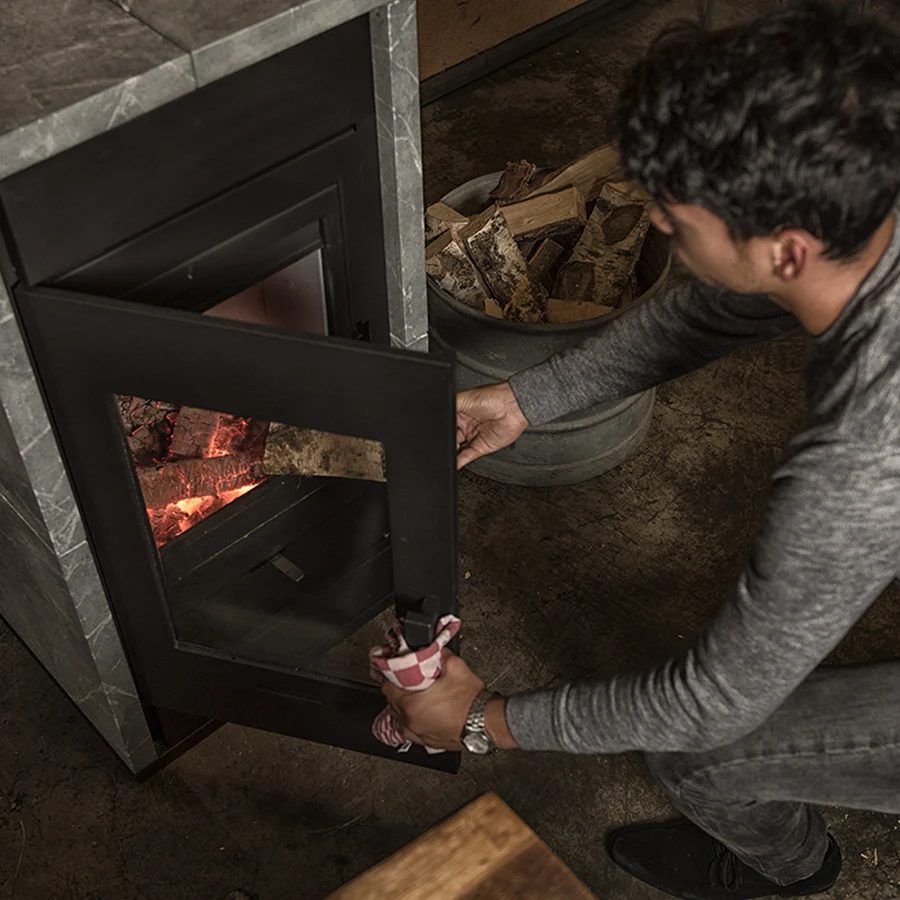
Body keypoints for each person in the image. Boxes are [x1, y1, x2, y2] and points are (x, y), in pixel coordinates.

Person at [382, 3, 900, 898]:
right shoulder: (864, 196)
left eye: (679, 217)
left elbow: (711, 702)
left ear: (788, 250)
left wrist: (480, 720)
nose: (655, 222)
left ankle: (790, 873)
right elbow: (722, 306)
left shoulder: (859, 459)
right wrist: (525, 399)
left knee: (703, 755)